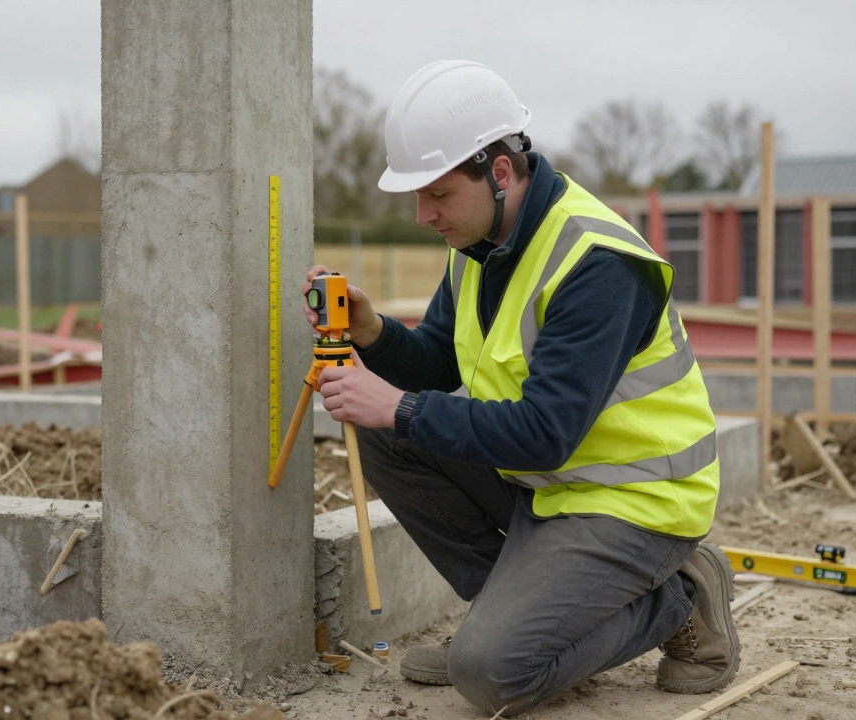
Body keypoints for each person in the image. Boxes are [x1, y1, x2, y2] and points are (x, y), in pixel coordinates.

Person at [303, 60, 739, 716]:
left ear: (499, 172)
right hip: (552, 487)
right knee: (386, 433)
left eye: (438, 195)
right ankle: (517, 618)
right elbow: (439, 366)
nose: (423, 216)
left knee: (492, 677)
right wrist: (372, 332)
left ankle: (675, 597)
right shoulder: (480, 243)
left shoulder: (597, 264)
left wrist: (397, 405)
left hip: (633, 501)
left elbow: (546, 434)